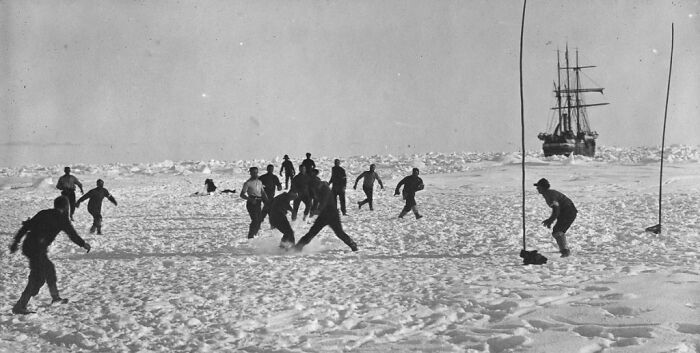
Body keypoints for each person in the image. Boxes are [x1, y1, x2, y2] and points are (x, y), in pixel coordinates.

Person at [8, 196, 91, 314]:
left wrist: (16, 242)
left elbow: (26, 226)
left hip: (30, 246)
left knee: (49, 269)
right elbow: (72, 235)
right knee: (38, 277)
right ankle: (20, 305)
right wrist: (83, 244)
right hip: (37, 249)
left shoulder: (44, 213)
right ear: (66, 207)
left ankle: (55, 297)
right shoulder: (62, 219)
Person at [294, 181, 358, 252]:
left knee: (339, 233)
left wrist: (317, 210)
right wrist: (313, 210)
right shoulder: (317, 190)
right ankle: (298, 247)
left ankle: (352, 244)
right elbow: (316, 201)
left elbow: (323, 202)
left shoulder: (325, 190)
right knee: (312, 232)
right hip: (324, 215)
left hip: (332, 214)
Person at [535, 178, 577, 257]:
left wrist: (550, 220)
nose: (537, 189)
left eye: (539, 187)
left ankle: (565, 251)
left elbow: (556, 209)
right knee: (557, 231)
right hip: (565, 212)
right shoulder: (548, 194)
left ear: (543, 188)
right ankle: (564, 249)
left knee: (558, 231)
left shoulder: (550, 194)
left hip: (568, 212)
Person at [240, 167, 268, 239]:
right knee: (255, 220)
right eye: (253, 172)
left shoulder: (259, 182)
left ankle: (255, 234)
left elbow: (263, 192)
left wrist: (267, 201)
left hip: (258, 202)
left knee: (259, 220)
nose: (255, 174)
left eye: (256, 172)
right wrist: (249, 199)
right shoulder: (247, 183)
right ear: (250, 173)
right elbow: (242, 194)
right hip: (251, 202)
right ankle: (250, 236)